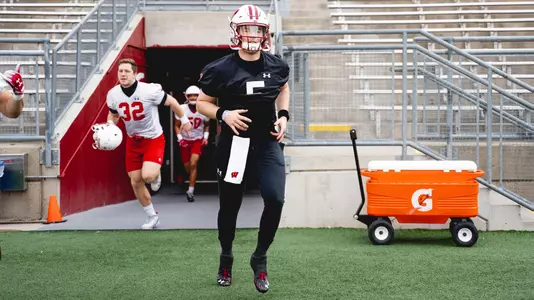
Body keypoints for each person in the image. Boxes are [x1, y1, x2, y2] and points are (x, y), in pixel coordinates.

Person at [196, 4, 290, 294]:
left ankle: (259, 258)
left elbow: (283, 88)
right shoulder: (220, 68)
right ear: (236, 32)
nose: (252, 34)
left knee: (275, 199)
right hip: (235, 144)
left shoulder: (277, 65)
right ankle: (226, 256)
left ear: (265, 33)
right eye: (247, 28)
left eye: (257, 29)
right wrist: (224, 114)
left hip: (267, 142)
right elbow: (201, 103)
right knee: (230, 205)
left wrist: (283, 115)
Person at [101, 58, 192, 229]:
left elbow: (172, 102)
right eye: (120, 71)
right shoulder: (113, 94)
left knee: (148, 176)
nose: (123, 74)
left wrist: (184, 120)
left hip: (152, 138)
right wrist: (110, 127)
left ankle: (156, 174)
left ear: (135, 74)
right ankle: (152, 216)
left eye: (127, 71)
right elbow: (113, 114)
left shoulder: (149, 90)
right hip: (133, 140)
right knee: (135, 181)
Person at [174, 85, 210, 203]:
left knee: (194, 164)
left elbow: (207, 124)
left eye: (195, 95)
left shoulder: (203, 108)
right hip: (185, 140)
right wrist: (180, 138)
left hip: (197, 140)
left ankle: (190, 191)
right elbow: (177, 125)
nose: (193, 97)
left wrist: (206, 137)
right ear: (186, 96)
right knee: (188, 167)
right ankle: (191, 180)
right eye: (191, 95)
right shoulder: (182, 108)